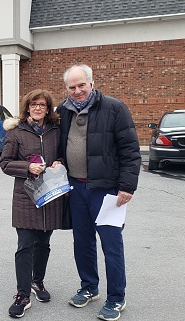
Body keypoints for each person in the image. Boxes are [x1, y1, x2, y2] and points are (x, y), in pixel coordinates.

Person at [56, 65, 141, 321]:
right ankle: (89, 287)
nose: (77, 91)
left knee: (111, 245)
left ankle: (117, 298)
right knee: (82, 242)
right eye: (72, 87)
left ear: (92, 83)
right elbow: (58, 143)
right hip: (76, 188)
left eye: (81, 85)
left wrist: (127, 186)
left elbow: (130, 150)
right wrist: (59, 160)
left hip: (107, 191)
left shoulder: (114, 108)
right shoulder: (63, 111)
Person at [0, 89, 65, 318]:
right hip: (26, 197)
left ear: (48, 109)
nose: (38, 108)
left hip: (49, 196)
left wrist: (58, 161)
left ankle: (38, 282)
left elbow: (63, 155)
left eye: (42, 105)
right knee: (25, 245)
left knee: (44, 244)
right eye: (34, 104)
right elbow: (5, 163)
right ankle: (22, 293)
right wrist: (27, 167)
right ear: (27, 107)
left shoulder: (56, 131)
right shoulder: (16, 132)